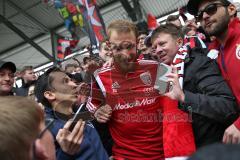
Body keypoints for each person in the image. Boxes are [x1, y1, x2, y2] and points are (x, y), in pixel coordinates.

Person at [150, 23, 238, 148]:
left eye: (162, 44)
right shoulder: (162, 72)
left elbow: (228, 107)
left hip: (210, 149)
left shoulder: (200, 63)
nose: (158, 50)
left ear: (179, 42)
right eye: (154, 47)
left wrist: (184, 97)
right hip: (175, 150)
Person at [187, 0, 240, 144]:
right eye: (199, 16)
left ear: (231, 9)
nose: (204, 16)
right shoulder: (211, 52)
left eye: (211, 9)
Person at [34, 67, 108, 160]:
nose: (74, 84)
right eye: (65, 81)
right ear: (50, 95)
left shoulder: (83, 111)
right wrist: (66, 154)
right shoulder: (46, 130)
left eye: (71, 80)